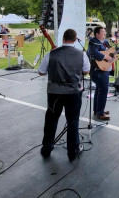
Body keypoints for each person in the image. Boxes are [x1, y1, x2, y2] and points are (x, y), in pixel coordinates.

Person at [38, 29, 90, 161]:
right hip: (73, 92)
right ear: (75, 39)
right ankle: (72, 152)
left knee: (51, 120)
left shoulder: (51, 54)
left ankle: (47, 148)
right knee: (73, 121)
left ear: (63, 39)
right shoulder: (81, 54)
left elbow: (41, 72)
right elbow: (86, 71)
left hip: (54, 93)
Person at [87, 26, 116, 120]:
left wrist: (115, 52)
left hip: (104, 69)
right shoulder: (93, 42)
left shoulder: (105, 42)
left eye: (105, 32)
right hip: (97, 70)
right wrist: (105, 57)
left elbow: (111, 50)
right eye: (103, 32)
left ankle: (98, 110)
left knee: (99, 89)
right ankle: (100, 112)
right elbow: (93, 53)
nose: (104, 33)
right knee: (103, 90)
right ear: (97, 34)